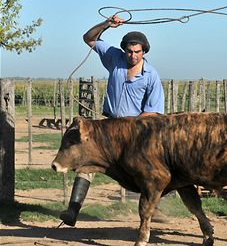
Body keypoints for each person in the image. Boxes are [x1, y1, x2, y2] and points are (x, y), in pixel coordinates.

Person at [59, 14, 170, 226]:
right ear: (124, 50)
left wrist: (129, 125)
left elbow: (154, 112)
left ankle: (153, 208)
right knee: (87, 162)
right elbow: (89, 38)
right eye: (129, 51)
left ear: (144, 51)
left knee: (146, 169)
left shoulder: (152, 76)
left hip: (135, 131)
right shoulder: (114, 58)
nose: (133, 55)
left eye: (137, 52)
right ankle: (72, 211)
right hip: (108, 125)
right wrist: (107, 25)